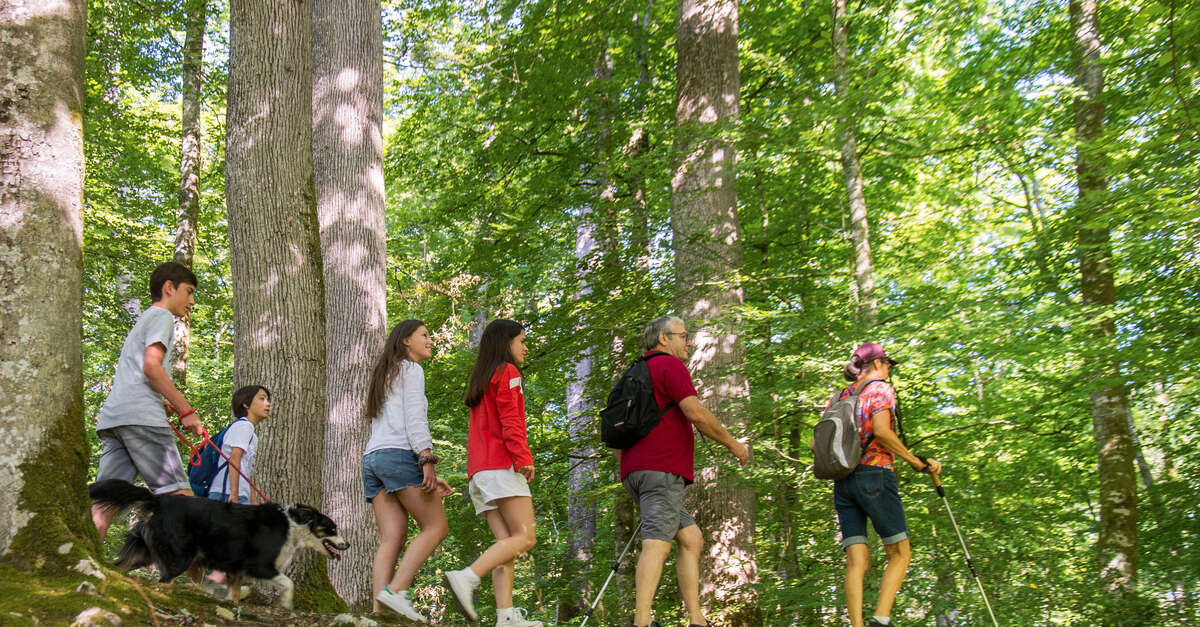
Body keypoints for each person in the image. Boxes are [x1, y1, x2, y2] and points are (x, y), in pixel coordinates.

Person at [616, 316, 751, 627]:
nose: (689, 343)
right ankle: (641, 621)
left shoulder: (634, 372)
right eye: (683, 336)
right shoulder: (669, 366)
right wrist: (732, 443)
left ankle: (696, 619)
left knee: (691, 538)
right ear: (664, 339)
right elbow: (695, 412)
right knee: (657, 543)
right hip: (661, 470)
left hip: (635, 471)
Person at [92, 261, 204, 543]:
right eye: (188, 292)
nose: (191, 301)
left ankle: (85, 568)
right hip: (142, 420)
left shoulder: (144, 320)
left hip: (116, 419)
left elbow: (138, 372)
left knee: (104, 503)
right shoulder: (162, 317)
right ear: (169, 288)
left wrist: (163, 402)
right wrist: (185, 410)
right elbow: (151, 368)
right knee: (182, 500)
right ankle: (205, 586)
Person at [832, 342, 942, 627]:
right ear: (878, 364)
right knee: (900, 552)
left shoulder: (840, 395)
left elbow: (814, 443)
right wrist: (915, 460)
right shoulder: (880, 389)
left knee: (857, 561)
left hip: (843, 482)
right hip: (875, 474)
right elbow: (881, 432)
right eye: (888, 364)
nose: (890, 370)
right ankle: (881, 620)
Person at [443, 319, 542, 627]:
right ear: (505, 343)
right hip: (501, 467)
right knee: (526, 538)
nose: (525, 347)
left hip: (480, 473)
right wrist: (524, 458)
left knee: (505, 545)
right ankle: (467, 577)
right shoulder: (508, 373)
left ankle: (506, 617)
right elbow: (511, 421)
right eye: (521, 341)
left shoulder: (483, 379)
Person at [362, 320, 452, 623]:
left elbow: (387, 427)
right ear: (405, 341)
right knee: (436, 527)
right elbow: (414, 418)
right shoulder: (411, 370)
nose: (430, 340)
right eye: (424, 335)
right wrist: (425, 457)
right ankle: (396, 592)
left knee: (392, 537)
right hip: (398, 456)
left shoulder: (384, 374)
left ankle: (378, 613)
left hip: (374, 459)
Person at [208, 385, 271, 505]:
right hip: (226, 495)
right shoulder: (244, 426)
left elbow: (244, 470)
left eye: (268, 400)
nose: (267, 404)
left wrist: (254, 502)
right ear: (245, 404)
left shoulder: (248, 429)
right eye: (262, 399)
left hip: (237, 494)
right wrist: (234, 494)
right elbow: (235, 457)